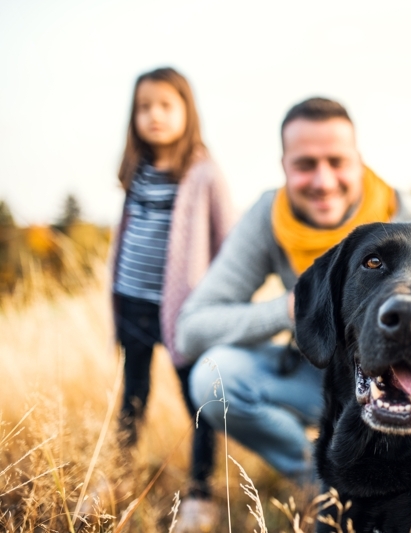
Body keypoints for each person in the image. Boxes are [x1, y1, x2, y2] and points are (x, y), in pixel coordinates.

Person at [177, 97, 411, 514]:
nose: (323, 179)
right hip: (322, 367)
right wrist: (295, 309)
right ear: (284, 166)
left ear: (359, 161)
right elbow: (191, 328)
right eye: (305, 164)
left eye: (337, 161)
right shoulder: (269, 216)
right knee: (213, 374)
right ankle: (329, 484)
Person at [110, 67, 235, 528]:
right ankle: (118, 476)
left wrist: (220, 302)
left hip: (185, 314)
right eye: (144, 107)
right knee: (132, 395)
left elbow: (229, 241)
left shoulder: (203, 171)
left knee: (199, 398)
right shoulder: (136, 170)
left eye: (165, 106)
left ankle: (201, 491)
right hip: (133, 303)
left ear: (187, 111)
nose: (154, 116)